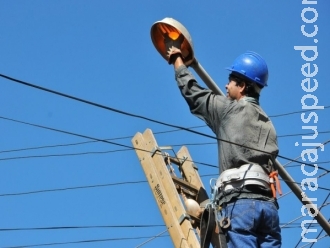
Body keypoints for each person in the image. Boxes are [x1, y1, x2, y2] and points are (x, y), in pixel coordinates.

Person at [164, 35, 282, 248]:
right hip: (269, 211)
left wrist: (177, 60)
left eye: (230, 81)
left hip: (241, 206)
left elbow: (194, 93)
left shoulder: (229, 110)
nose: (226, 86)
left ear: (243, 86)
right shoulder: (268, 124)